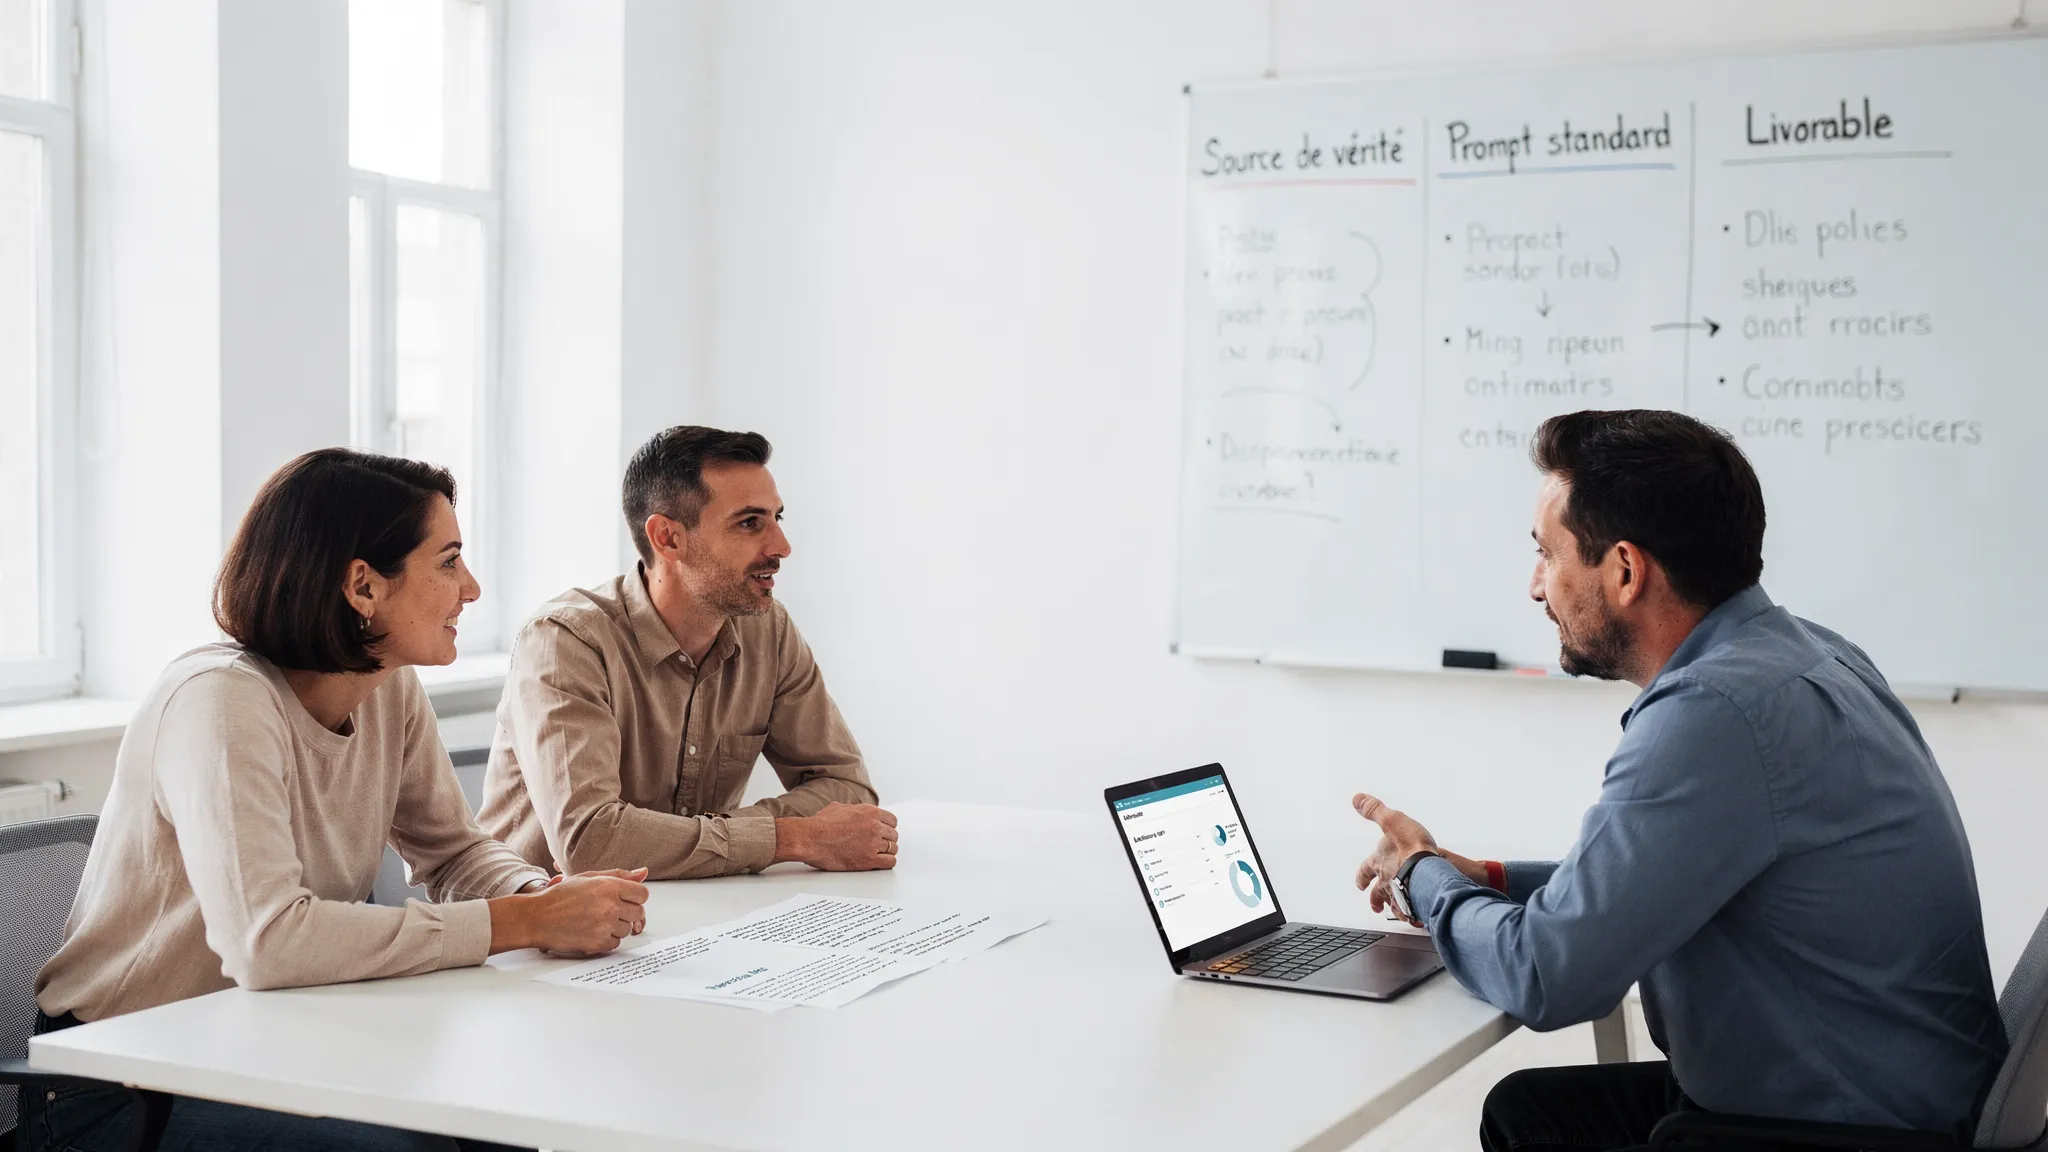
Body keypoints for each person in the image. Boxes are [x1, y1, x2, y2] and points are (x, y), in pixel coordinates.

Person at [1352, 410, 2007, 1150]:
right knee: (1524, 1112)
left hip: (1849, 1128)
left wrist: (1424, 876)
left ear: (1625, 571)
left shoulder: (1715, 713)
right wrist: (1492, 879)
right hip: (1908, 1097)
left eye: (1547, 555)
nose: (1536, 586)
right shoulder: (1810, 655)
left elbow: (1547, 976)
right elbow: (1664, 877)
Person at [30, 450, 651, 1152]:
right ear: (363, 586)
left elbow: (452, 852)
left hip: (272, 1041)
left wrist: (540, 894)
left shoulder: (387, 686)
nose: (472, 588)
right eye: (449, 562)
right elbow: (268, 943)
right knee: (419, 1147)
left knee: (512, 1112)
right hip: (122, 1084)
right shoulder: (220, 701)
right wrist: (520, 921)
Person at [478, 426, 894, 880]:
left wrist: (704, 839)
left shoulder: (768, 630)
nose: (782, 546)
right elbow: (590, 843)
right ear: (668, 538)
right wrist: (791, 838)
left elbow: (848, 789)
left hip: (689, 905)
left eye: (777, 518)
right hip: (536, 918)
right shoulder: (564, 642)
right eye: (750, 523)